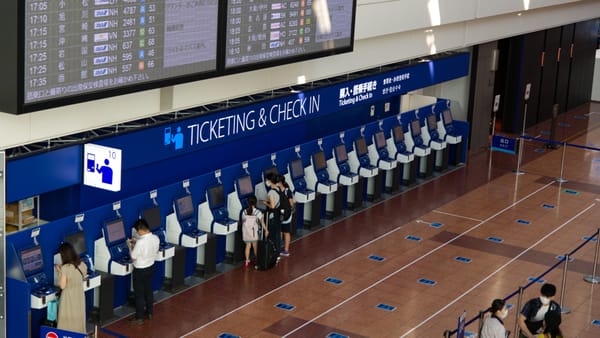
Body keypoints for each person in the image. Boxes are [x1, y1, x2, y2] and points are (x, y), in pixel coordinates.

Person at [129, 218, 160, 325]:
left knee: (139, 294)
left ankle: (139, 318)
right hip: (150, 267)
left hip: (140, 270)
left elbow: (133, 257)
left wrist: (131, 246)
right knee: (148, 290)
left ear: (140, 230)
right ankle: (150, 312)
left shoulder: (140, 243)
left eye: (137, 232)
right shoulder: (156, 238)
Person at [55, 242, 87, 334]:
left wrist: (59, 271)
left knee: (67, 323)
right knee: (78, 320)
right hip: (79, 295)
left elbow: (62, 285)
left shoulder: (65, 268)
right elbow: (82, 274)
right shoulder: (81, 264)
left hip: (69, 298)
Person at [241, 195, 268, 268]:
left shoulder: (244, 211)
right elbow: (262, 222)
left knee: (248, 246)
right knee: (255, 247)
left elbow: (243, 221)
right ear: (255, 203)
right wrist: (266, 230)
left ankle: (247, 261)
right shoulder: (258, 212)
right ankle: (257, 261)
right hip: (253, 233)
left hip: (246, 232)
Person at [262, 173, 282, 255]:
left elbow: (272, 206)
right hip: (278, 215)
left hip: (272, 216)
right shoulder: (278, 189)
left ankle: (273, 254)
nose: (266, 182)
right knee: (277, 235)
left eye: (267, 180)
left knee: (272, 236)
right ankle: (278, 253)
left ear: (270, 181)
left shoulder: (271, 192)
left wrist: (265, 203)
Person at [277, 174, 295, 257]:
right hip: (280, 214)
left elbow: (291, 203)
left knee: (286, 232)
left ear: (280, 182)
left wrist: (287, 210)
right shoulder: (277, 190)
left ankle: (286, 250)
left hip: (286, 215)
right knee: (281, 231)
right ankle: (280, 248)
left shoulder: (287, 191)